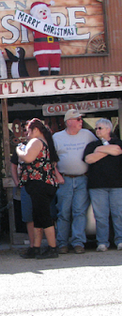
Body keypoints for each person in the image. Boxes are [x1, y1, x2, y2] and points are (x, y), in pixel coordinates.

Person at [53, 109, 97, 254]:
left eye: (80, 119)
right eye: (78, 119)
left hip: (83, 178)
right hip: (64, 180)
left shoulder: (88, 135)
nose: (81, 122)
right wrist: (58, 176)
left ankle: (78, 243)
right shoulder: (57, 137)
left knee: (80, 212)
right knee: (64, 213)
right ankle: (62, 243)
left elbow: (98, 150)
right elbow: (51, 161)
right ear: (69, 122)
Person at [17, 118, 60, 259]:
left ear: (35, 130)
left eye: (28, 131)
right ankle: (36, 247)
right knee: (38, 216)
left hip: (39, 183)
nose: (27, 135)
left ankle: (52, 248)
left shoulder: (36, 142)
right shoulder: (47, 143)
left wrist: (19, 150)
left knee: (44, 217)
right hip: (43, 183)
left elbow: (28, 158)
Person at [83, 118, 122, 252]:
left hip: (117, 185)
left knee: (118, 214)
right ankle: (102, 242)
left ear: (108, 129)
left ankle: (120, 240)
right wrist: (105, 150)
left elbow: (117, 150)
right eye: (96, 128)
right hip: (97, 186)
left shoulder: (117, 142)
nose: (97, 130)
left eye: (100, 128)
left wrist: (100, 149)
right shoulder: (92, 145)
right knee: (100, 216)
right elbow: (89, 159)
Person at [10, 145, 36, 258]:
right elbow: (13, 165)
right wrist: (16, 182)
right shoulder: (20, 148)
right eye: (25, 130)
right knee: (28, 217)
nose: (26, 132)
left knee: (44, 216)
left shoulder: (43, 144)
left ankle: (49, 245)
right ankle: (33, 246)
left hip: (41, 184)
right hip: (25, 185)